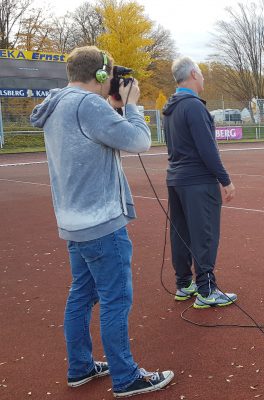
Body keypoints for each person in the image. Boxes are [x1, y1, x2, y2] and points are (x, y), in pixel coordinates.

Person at [29, 46, 174, 397]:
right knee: (115, 299)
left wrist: (115, 108)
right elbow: (140, 140)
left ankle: (79, 366)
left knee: (81, 294)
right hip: (101, 223)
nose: (113, 81)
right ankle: (126, 378)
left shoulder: (59, 103)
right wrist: (133, 106)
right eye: (109, 75)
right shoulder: (87, 104)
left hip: (73, 221)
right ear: (99, 75)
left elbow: (93, 141)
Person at [162, 56, 238, 308]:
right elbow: (208, 150)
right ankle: (206, 289)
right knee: (204, 234)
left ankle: (184, 283)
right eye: (202, 73)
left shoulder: (171, 108)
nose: (203, 77)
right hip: (197, 181)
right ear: (193, 74)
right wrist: (225, 179)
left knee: (181, 233)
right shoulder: (194, 106)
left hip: (176, 179)